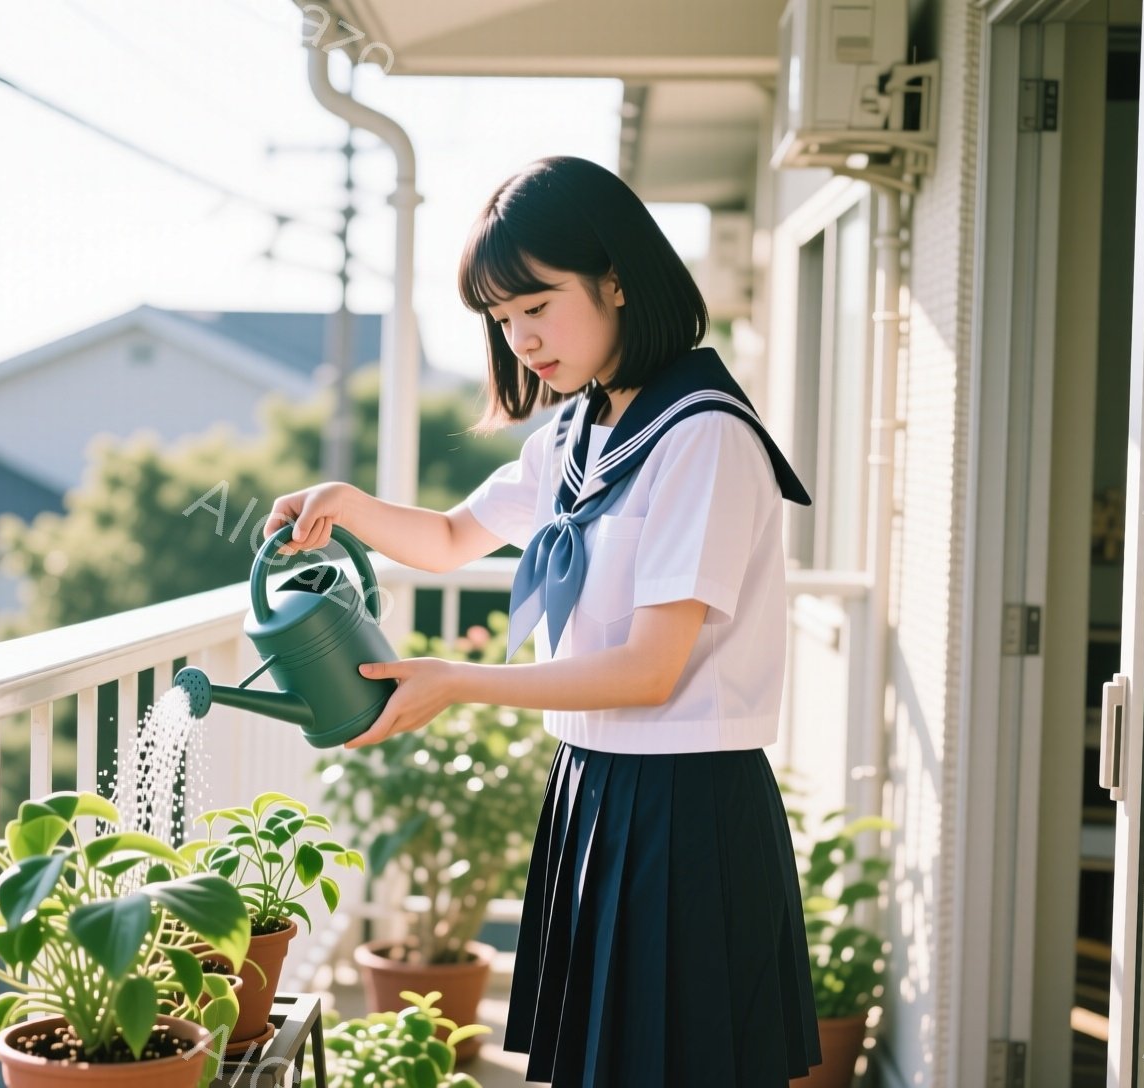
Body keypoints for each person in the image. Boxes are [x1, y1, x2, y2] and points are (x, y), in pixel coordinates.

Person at [263, 155, 823, 1086]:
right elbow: (453, 538)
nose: (520, 339)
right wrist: (347, 504)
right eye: (501, 318)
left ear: (617, 280)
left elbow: (649, 669)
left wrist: (457, 682)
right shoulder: (575, 431)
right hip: (592, 786)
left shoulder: (704, 435)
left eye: (537, 304)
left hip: (688, 807)